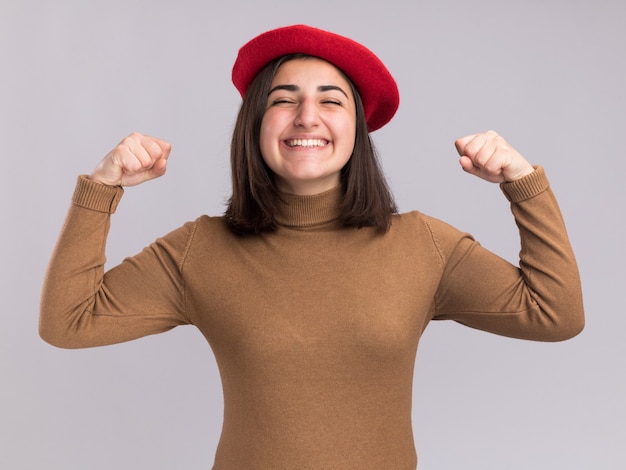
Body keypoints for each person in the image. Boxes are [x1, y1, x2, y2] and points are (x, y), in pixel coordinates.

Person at [40, 24, 585, 469]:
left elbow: (555, 315)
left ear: (357, 130)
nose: (307, 117)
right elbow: (68, 322)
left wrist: (522, 183)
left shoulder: (422, 245)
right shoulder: (200, 250)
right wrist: (101, 189)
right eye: (284, 100)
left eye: (332, 101)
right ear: (255, 124)